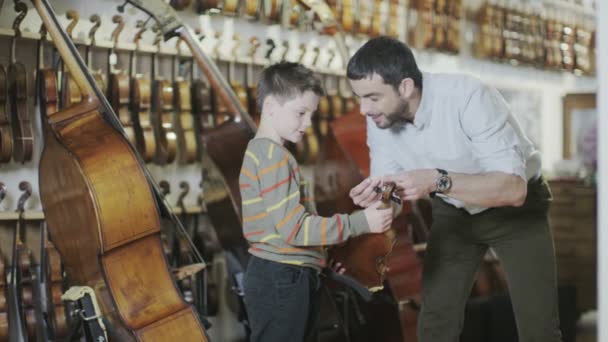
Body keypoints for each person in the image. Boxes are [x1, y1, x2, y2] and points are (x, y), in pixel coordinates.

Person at [346, 36, 562, 342]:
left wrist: (436, 180)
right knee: (435, 320)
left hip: (517, 212)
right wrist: (378, 202)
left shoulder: (469, 96)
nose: (363, 109)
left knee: (538, 326)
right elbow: (391, 194)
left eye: (372, 97)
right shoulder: (380, 119)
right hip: (454, 212)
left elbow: (514, 190)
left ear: (405, 87)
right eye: (359, 97)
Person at [239, 61, 393, 342]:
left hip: (283, 275)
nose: (308, 124)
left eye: (311, 114)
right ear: (271, 106)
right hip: (282, 278)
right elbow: (294, 229)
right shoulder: (273, 157)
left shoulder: (265, 153)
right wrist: (361, 222)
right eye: (301, 113)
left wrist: (318, 255)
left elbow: (285, 229)